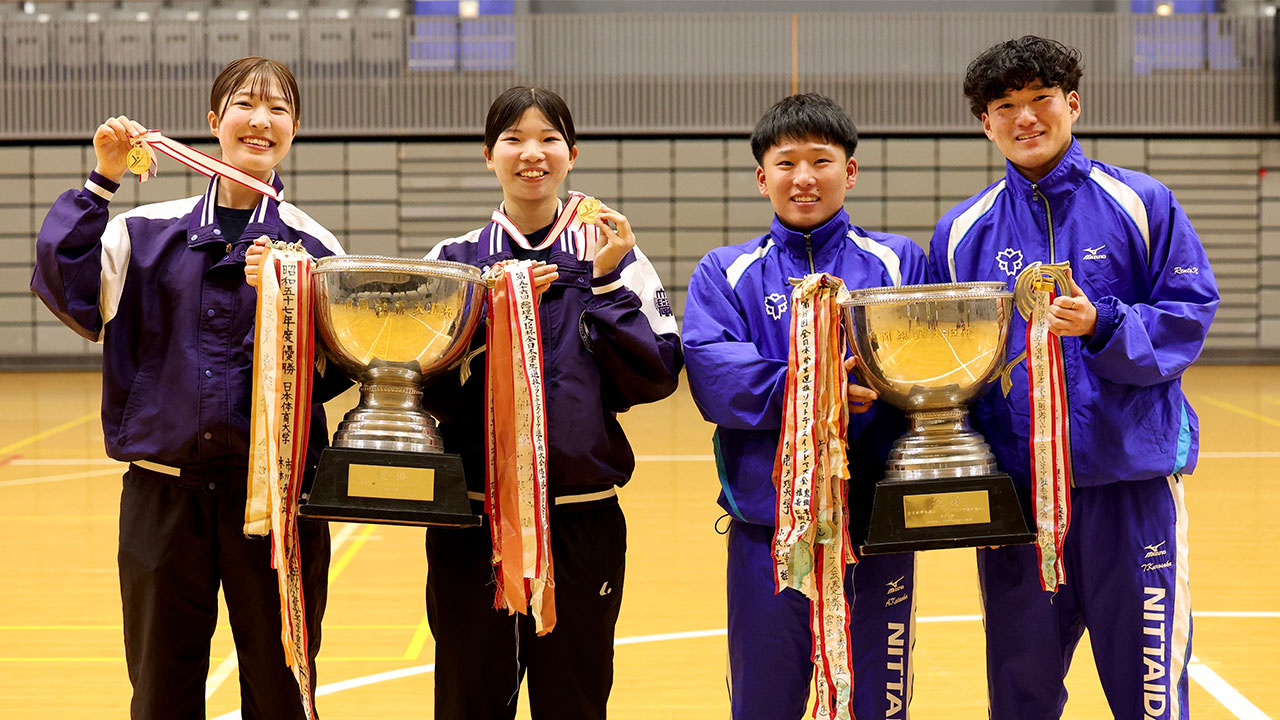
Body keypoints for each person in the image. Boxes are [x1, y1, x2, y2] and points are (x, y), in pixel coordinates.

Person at [31, 57, 346, 720]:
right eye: (244, 104)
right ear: (214, 122)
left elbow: (334, 372)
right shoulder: (143, 233)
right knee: (161, 688)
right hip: (161, 495)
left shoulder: (313, 248)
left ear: (295, 129)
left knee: (283, 684)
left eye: (278, 108)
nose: (260, 120)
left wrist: (288, 298)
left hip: (274, 501)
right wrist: (102, 181)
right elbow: (68, 289)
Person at [928, 35, 1219, 719]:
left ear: (1073, 104)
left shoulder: (1142, 202)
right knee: (1019, 696)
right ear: (985, 123)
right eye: (1005, 106)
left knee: (1149, 695)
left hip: (1130, 491)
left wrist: (1105, 326)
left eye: (1040, 99)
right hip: (1020, 505)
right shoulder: (960, 230)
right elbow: (951, 366)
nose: (1024, 118)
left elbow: (1189, 313)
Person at [421, 86, 683, 719]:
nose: (530, 153)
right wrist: (486, 323)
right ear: (489, 155)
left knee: (576, 700)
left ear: (572, 153)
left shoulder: (616, 257)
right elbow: (422, 388)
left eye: (547, 139)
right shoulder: (451, 263)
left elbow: (657, 375)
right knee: (468, 700)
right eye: (513, 139)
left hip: (581, 520)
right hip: (475, 523)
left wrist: (606, 284)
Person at [682, 93, 924, 720]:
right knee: (765, 703)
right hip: (768, 530)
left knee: (879, 703)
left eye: (822, 160)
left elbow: (926, 369)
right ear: (763, 178)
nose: (805, 177)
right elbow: (715, 379)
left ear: (851, 170)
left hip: (874, 529)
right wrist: (819, 391)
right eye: (787, 163)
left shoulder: (899, 263)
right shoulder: (725, 272)